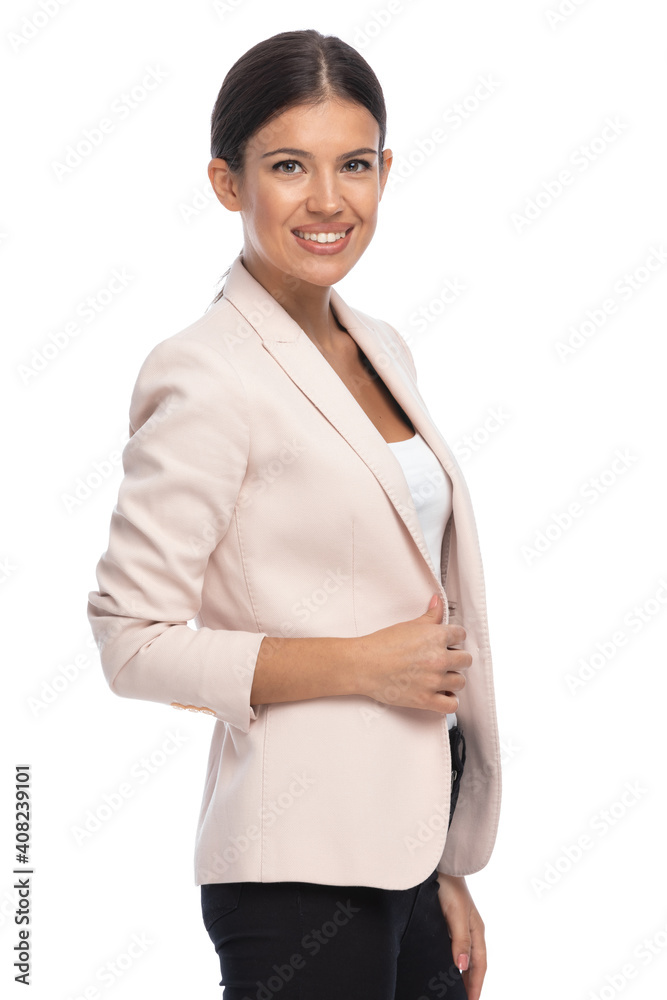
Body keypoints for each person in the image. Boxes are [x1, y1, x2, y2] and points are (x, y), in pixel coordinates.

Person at [87, 28, 502, 1000]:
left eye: (353, 164)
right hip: (297, 872)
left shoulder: (382, 346)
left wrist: (445, 865)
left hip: (409, 852)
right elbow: (130, 640)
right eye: (287, 166)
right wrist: (360, 664)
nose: (327, 200)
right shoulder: (204, 373)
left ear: (384, 172)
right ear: (227, 183)